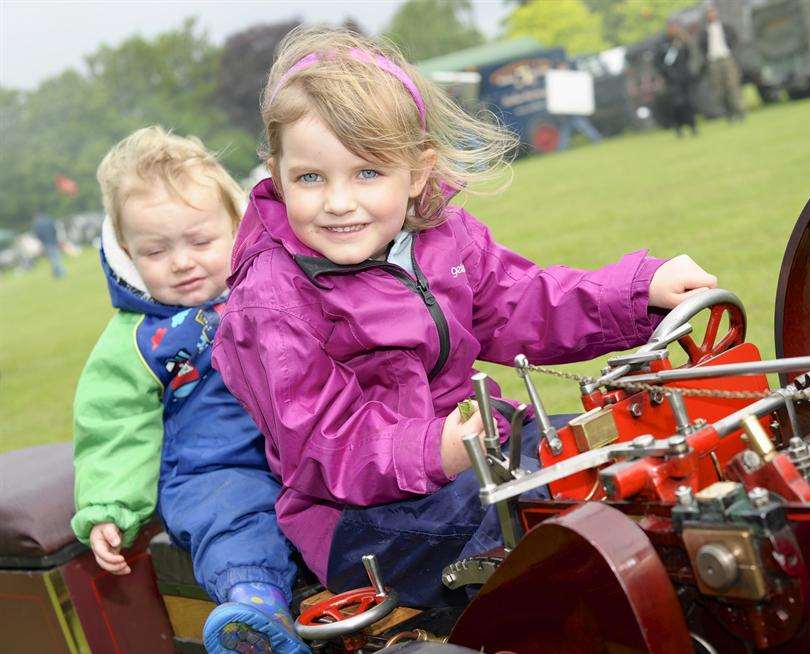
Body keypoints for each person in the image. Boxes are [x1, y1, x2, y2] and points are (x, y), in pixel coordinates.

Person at [213, 27, 717, 610]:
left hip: (477, 451)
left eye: (367, 172)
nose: (338, 201)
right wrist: (435, 450)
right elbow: (321, 444)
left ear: (418, 172)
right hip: (362, 522)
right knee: (557, 521)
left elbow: (525, 302)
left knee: (623, 448)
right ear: (275, 173)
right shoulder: (272, 299)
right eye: (310, 178)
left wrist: (639, 293)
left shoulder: (443, 238)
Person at [71, 126, 310, 654]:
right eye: (156, 251)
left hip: (307, 440)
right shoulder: (134, 340)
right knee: (229, 521)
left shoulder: (273, 285)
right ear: (128, 254)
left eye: (200, 242)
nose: (181, 261)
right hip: (217, 468)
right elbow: (113, 427)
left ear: (235, 227)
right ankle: (255, 612)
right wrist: (109, 505)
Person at [699, 4, 745, 122]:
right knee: (719, 90)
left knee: (732, 86)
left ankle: (740, 111)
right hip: (713, 62)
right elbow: (701, 47)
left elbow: (735, 39)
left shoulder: (725, 27)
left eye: (713, 12)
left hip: (726, 58)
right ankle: (729, 113)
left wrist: (733, 52)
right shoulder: (704, 31)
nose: (712, 15)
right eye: (709, 13)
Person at [657, 21, 700, 137]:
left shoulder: (682, 41)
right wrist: (665, 74)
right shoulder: (662, 43)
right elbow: (659, 62)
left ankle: (693, 126)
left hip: (684, 77)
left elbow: (688, 56)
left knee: (688, 102)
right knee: (677, 104)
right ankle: (678, 127)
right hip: (671, 80)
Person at [32, 211, 66, 278]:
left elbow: (38, 236)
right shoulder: (49, 220)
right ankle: (57, 273)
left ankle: (60, 273)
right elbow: (55, 230)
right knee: (56, 257)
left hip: (46, 243)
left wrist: (42, 243)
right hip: (53, 241)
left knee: (53, 259)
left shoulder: (37, 225)